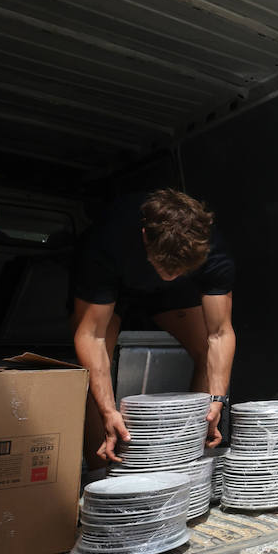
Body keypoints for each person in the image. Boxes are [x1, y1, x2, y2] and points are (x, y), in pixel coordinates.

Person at [70, 189, 235, 462]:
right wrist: (109, 411)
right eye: (167, 268)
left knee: (207, 350)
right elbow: (91, 336)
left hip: (170, 289)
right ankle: (100, 475)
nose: (171, 276)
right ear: (145, 235)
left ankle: (187, 455)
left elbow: (220, 333)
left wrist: (217, 400)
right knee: (92, 374)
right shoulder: (106, 241)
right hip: (112, 280)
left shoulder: (213, 252)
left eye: (179, 269)